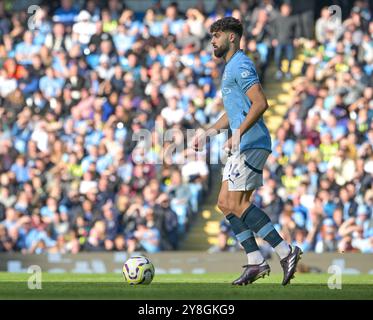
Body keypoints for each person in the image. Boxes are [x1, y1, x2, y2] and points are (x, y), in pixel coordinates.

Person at [191, 17, 302, 286]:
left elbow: (261, 102)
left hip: (250, 142)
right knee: (225, 203)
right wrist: (208, 132)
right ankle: (255, 261)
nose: (212, 41)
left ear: (232, 37)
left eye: (217, 36)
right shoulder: (231, 67)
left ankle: (285, 252)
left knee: (237, 204)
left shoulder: (240, 64)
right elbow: (233, 113)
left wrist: (238, 134)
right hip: (243, 142)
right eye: (211, 36)